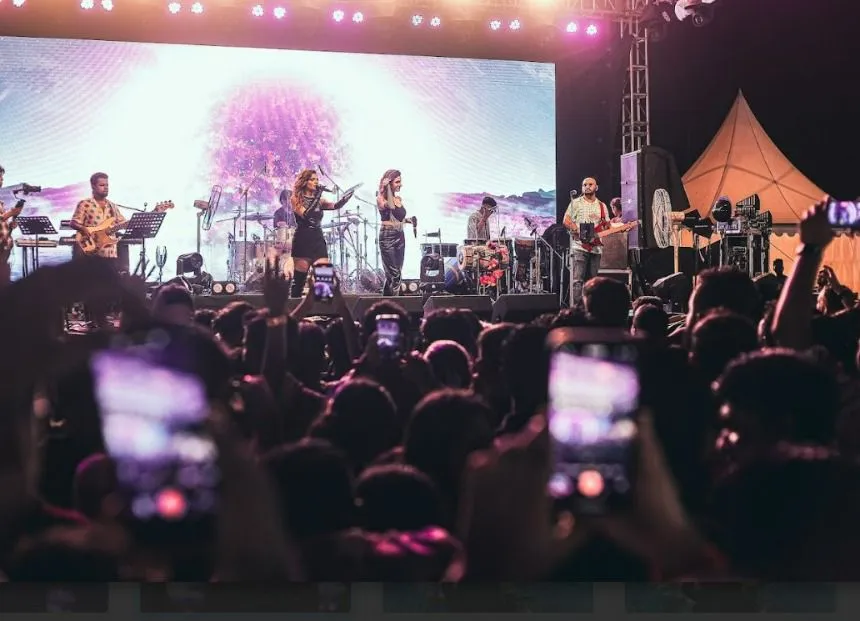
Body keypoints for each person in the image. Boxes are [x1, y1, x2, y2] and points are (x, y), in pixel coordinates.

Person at [290, 168, 353, 298]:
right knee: (299, 281)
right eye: (312, 180)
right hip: (303, 238)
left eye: (317, 179)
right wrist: (318, 196)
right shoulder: (296, 199)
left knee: (324, 277)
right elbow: (307, 215)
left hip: (317, 238)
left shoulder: (320, 200)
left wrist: (345, 199)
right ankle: (294, 311)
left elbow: (335, 206)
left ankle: (324, 313)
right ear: (305, 182)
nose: (316, 182)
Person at [563, 177, 609, 306]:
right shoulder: (575, 203)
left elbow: (607, 226)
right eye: (584, 185)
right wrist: (577, 229)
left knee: (593, 282)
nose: (587, 186)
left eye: (590, 184)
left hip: (596, 248)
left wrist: (615, 227)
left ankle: (591, 310)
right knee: (578, 280)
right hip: (579, 246)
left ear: (596, 187)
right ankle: (578, 311)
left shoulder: (602, 206)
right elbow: (566, 221)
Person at [70, 172, 127, 262]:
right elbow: (73, 223)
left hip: (110, 254)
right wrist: (84, 229)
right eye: (102, 185)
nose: (106, 188)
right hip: (91, 255)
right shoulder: (85, 204)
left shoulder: (113, 206)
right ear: (93, 186)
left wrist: (153, 213)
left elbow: (124, 223)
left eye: (107, 185)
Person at [377, 169, 407, 296]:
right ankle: (397, 305)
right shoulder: (380, 199)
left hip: (399, 235)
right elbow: (390, 206)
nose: (400, 184)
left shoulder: (398, 198)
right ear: (390, 183)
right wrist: (387, 188)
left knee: (395, 274)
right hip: (387, 237)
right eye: (397, 182)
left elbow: (398, 217)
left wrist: (409, 220)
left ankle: (385, 304)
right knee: (394, 275)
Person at [272, 189, 297, 279]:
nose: (288, 202)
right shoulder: (278, 213)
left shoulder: (296, 213)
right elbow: (276, 225)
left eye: (290, 199)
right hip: (281, 240)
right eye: (286, 199)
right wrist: (280, 224)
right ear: (282, 200)